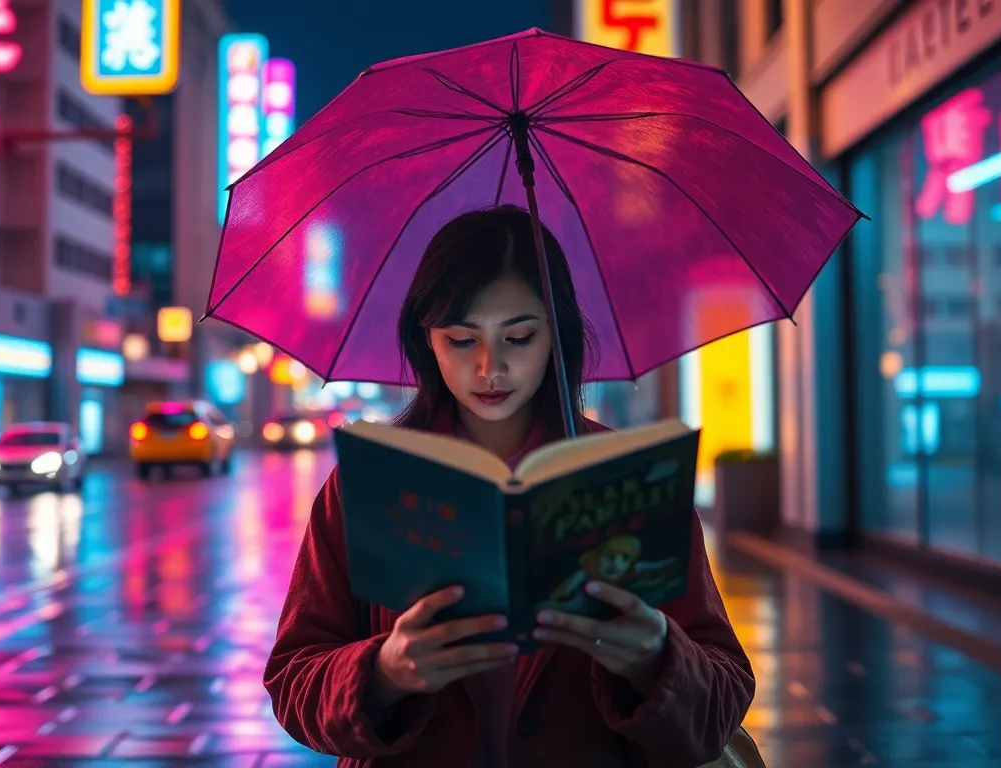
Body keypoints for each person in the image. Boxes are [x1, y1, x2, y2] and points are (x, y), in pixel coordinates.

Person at [262, 205, 755, 767]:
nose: (489, 368)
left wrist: (657, 658)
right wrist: (384, 672)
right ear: (426, 340)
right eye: (461, 340)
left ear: (556, 336)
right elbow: (292, 678)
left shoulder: (630, 477)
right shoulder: (367, 483)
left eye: (518, 338)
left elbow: (724, 697)